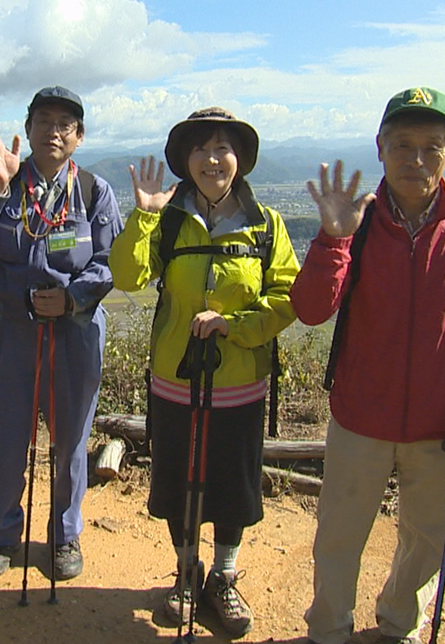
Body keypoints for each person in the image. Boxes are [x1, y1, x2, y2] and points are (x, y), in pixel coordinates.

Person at [290, 87, 445, 644]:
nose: (416, 158)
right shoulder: (358, 223)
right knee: (339, 536)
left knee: (425, 539)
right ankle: (329, 629)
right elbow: (311, 309)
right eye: (403, 145)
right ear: (380, 148)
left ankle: (399, 626)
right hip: (360, 418)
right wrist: (333, 240)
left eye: (431, 146)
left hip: (442, 427)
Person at [109, 107, 299, 637]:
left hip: (240, 381)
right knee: (177, 477)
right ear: (186, 160)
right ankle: (186, 571)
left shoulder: (266, 224)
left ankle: (224, 575)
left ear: (241, 159)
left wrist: (234, 325)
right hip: (174, 379)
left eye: (223, 148)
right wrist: (144, 214)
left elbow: (287, 299)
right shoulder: (167, 219)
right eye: (201, 148)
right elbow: (126, 274)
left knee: (232, 485)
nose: (212, 159)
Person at [0, 86, 122, 582]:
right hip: (14, 334)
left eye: (65, 124)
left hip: (76, 331)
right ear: (27, 131)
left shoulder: (93, 191)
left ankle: (65, 536)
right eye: (43, 121)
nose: (53, 131)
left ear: (79, 137)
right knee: (10, 438)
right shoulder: (2, 179)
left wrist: (72, 296)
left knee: (70, 440)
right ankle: (3, 536)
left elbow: (111, 263)